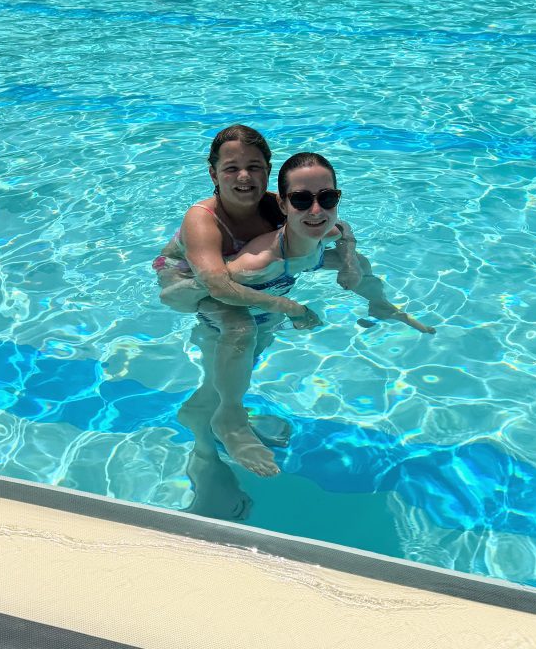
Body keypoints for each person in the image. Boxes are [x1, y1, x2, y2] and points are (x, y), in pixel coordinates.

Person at [156, 127, 432, 476]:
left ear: (268, 171)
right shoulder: (202, 219)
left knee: (258, 332)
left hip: (244, 274)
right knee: (240, 328)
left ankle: (206, 410)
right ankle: (229, 418)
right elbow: (217, 286)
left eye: (255, 167)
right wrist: (293, 308)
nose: (244, 176)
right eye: (231, 168)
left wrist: (348, 264)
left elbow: (342, 230)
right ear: (213, 173)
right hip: (190, 281)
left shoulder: (282, 204)